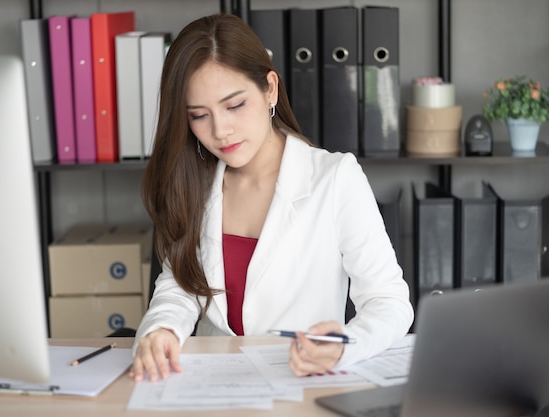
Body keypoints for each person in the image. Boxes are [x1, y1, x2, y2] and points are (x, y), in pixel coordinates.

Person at [130, 13, 414, 383]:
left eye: (234, 106)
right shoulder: (192, 181)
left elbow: (389, 303)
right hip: (210, 385)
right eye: (199, 116)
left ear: (270, 89)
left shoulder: (335, 178)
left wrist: (345, 343)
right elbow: (181, 285)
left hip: (301, 383)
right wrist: (162, 329)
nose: (220, 131)